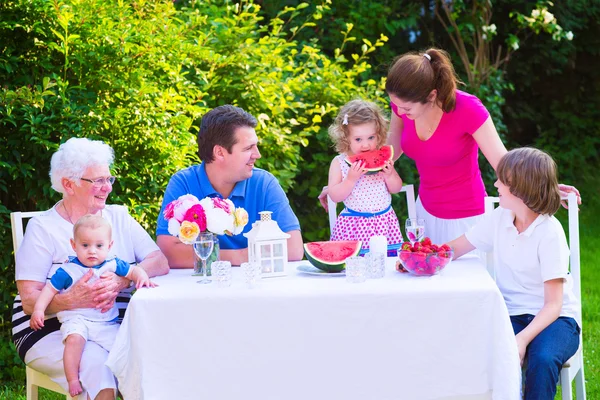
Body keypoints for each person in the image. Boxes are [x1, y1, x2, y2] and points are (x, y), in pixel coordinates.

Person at [320, 48, 580, 245]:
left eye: (405, 108)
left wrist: (543, 185)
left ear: (431, 96)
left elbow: (502, 161)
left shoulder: (468, 109)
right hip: (424, 214)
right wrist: (343, 180)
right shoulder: (403, 106)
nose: (398, 111)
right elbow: (390, 151)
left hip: (467, 218)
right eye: (394, 104)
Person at [12, 137, 169, 400]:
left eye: (108, 179)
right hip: (48, 326)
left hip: (111, 322)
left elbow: (159, 261)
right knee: (98, 366)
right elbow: (29, 301)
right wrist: (71, 300)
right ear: (68, 184)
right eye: (97, 181)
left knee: (154, 356)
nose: (106, 188)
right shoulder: (43, 228)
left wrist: (122, 281)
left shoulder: (117, 216)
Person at [447, 147, 580, 399]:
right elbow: (455, 248)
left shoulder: (549, 233)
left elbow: (553, 305)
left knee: (542, 358)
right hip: (512, 314)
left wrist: (521, 340)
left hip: (557, 320)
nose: (496, 183)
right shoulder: (499, 218)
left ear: (520, 188)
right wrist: (419, 257)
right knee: (477, 350)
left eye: (502, 180)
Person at [156, 105, 304, 267]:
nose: (257, 155)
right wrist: (239, 257)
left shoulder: (264, 184)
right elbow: (168, 252)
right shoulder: (183, 183)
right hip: (199, 287)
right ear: (220, 152)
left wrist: (210, 256)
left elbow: (294, 249)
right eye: (248, 148)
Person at [30, 215, 157, 397]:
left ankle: (131, 390)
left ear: (109, 246)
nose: (92, 251)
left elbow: (132, 271)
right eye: (85, 245)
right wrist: (39, 309)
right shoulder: (68, 270)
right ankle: (72, 379)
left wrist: (141, 277)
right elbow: (49, 290)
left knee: (124, 349)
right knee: (74, 341)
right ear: (74, 245)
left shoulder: (112, 263)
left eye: (99, 246)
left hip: (105, 322)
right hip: (76, 319)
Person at [327, 99, 404, 248]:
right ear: (345, 138)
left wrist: (389, 175)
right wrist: (350, 180)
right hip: (353, 226)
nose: (366, 144)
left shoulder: (382, 157)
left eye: (371, 137)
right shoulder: (339, 162)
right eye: (358, 139)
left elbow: (396, 188)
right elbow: (335, 196)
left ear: (379, 134)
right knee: (355, 265)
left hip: (384, 223)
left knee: (386, 266)